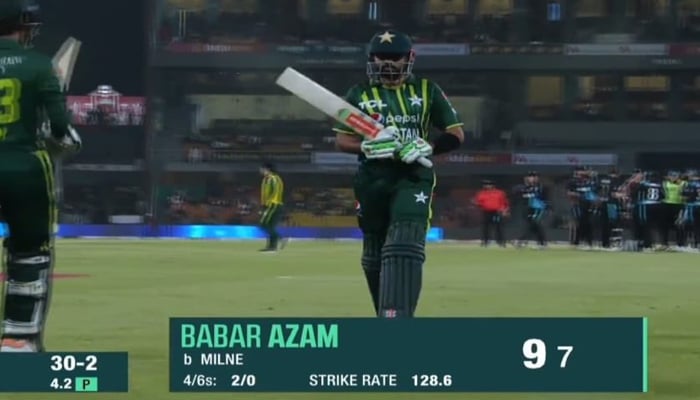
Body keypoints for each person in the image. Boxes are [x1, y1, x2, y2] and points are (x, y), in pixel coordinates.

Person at [333, 30, 464, 318]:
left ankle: (398, 318)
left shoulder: (428, 90)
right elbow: (342, 140)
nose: (388, 64)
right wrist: (366, 146)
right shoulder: (358, 94)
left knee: (404, 244)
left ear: (409, 58)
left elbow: (456, 134)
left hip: (412, 175)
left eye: (395, 58)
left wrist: (427, 147)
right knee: (374, 253)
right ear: (372, 60)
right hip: (372, 179)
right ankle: (386, 317)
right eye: (382, 58)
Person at [0, 0, 81, 352]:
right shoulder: (38, 65)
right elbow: (60, 128)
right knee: (30, 255)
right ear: (21, 25)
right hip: (25, 168)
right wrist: (66, 140)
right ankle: (17, 340)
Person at [514, 172, 548, 249]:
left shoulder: (540, 187)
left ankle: (521, 240)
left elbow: (542, 196)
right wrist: (527, 186)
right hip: (528, 208)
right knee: (533, 226)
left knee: (534, 223)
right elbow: (516, 191)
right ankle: (542, 243)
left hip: (538, 208)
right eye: (530, 177)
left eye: (534, 177)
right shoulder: (523, 187)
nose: (532, 178)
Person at [631, 171, 664, 250]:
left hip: (646, 206)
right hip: (657, 206)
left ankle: (646, 244)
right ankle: (653, 243)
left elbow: (635, 194)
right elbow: (663, 196)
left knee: (645, 225)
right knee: (653, 226)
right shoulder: (659, 185)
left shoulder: (644, 185)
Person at [258, 163, 287, 252]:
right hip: (270, 204)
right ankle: (272, 247)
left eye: (262, 169)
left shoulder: (274, 179)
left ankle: (280, 238)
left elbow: (275, 192)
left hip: (273, 204)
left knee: (263, 224)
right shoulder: (265, 180)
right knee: (270, 226)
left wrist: (268, 204)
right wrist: (263, 205)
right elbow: (264, 194)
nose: (260, 171)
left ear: (267, 169)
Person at [567, 166, 597, 249]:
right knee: (580, 223)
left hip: (588, 205)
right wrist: (580, 195)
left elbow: (594, 192)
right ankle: (577, 242)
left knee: (588, 223)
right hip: (577, 205)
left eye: (583, 171)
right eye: (580, 171)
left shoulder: (590, 182)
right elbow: (569, 193)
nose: (582, 173)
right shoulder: (573, 181)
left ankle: (588, 242)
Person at [473, 180, 509, 247]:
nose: (487, 186)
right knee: (486, 228)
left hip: (497, 212)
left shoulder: (499, 193)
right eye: (485, 184)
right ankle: (485, 241)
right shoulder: (481, 193)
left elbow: (504, 203)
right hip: (486, 212)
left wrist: (504, 210)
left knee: (499, 227)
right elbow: (478, 203)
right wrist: (477, 204)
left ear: (493, 185)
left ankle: (501, 242)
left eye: (489, 184)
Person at [597, 168, 623, 249]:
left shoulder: (602, 180)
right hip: (611, 204)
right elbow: (613, 194)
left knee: (604, 224)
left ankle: (604, 243)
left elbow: (597, 191)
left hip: (602, 203)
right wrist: (622, 195)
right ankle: (612, 243)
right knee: (612, 223)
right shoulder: (614, 180)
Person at [660, 170, 686, 250]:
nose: (673, 178)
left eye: (675, 176)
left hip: (679, 205)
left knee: (679, 225)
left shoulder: (683, 183)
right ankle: (664, 243)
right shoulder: (664, 183)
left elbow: (686, 193)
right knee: (665, 225)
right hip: (667, 204)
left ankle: (680, 244)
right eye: (671, 176)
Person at [681, 170, 700, 250]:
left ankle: (694, 243)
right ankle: (696, 243)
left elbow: (684, 197)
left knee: (693, 225)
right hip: (695, 205)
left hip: (693, 206)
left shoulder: (690, 185)